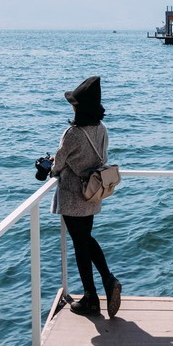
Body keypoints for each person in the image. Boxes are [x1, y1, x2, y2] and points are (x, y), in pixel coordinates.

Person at [50, 76, 122, 317]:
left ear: (79, 108)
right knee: (85, 239)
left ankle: (92, 296)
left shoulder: (73, 133)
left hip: (72, 196)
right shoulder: (101, 129)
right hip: (92, 192)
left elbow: (58, 165)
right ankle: (106, 282)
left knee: (81, 244)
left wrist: (50, 165)